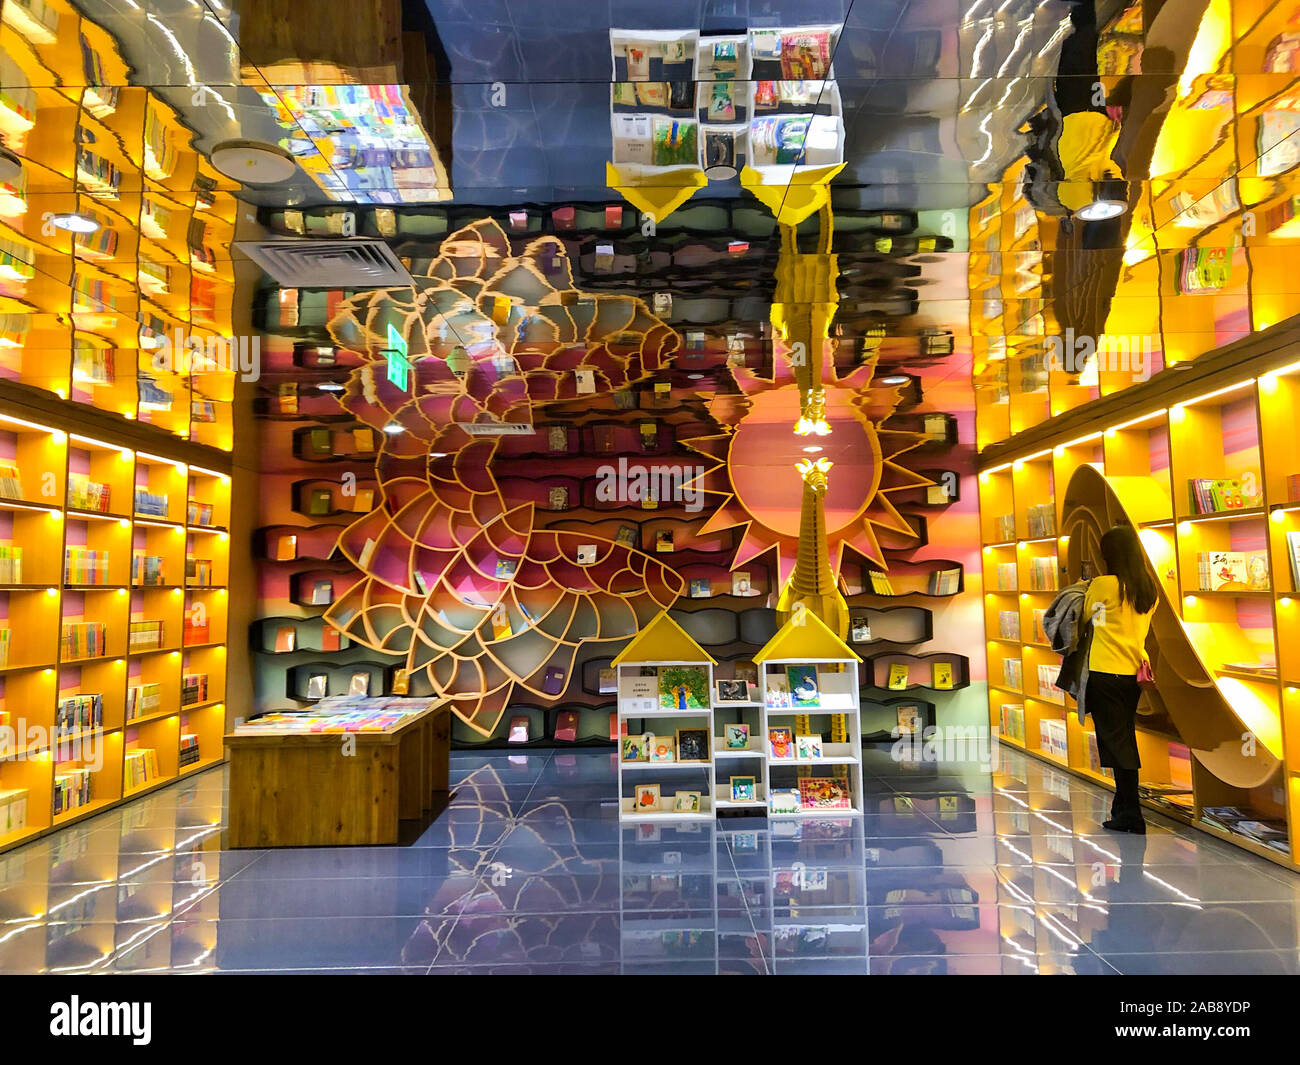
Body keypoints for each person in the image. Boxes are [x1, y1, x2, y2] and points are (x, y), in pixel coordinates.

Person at [1084, 524, 1158, 833]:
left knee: (1119, 745)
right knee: (1122, 738)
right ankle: (1122, 807)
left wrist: (1085, 589)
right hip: (1132, 673)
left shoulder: (1104, 585)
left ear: (1108, 555)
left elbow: (1089, 615)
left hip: (1104, 671)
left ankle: (1132, 814)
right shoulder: (1146, 588)